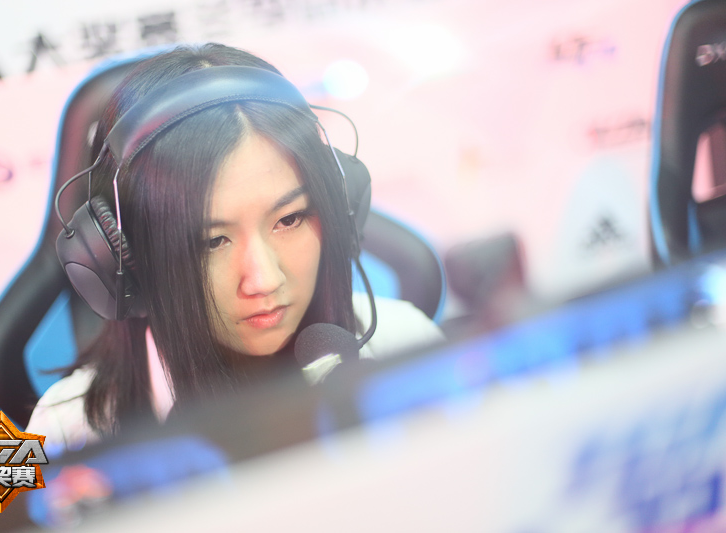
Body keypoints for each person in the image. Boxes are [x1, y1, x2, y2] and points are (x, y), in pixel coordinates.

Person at [25, 43, 444, 453]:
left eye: (289, 219)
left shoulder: (408, 341)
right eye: (212, 241)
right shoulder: (58, 430)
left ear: (338, 209)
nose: (264, 280)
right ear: (125, 258)